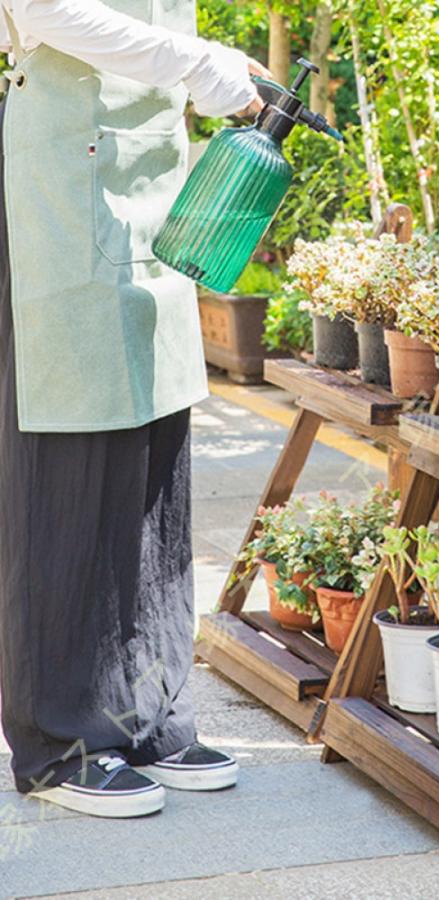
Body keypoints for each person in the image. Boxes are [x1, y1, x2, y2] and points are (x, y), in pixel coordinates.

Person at [0, 0, 269, 818]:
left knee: (153, 457)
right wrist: (197, 64)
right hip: (61, 177)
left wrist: (215, 64)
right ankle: (62, 742)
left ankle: (146, 715)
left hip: (150, 173)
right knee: (71, 466)